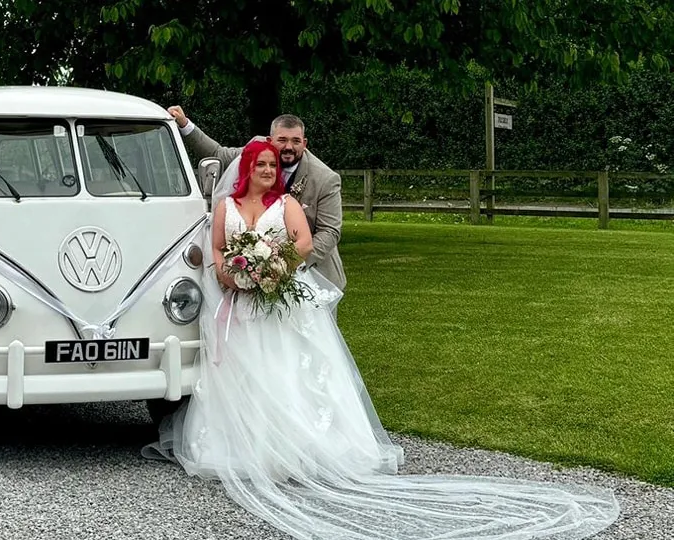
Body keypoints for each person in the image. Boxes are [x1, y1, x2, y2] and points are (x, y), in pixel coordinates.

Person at [141, 140, 619, 540]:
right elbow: (220, 251)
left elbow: (303, 243)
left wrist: (274, 271)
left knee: (288, 372)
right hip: (240, 307)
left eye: (272, 165)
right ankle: (246, 448)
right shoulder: (224, 206)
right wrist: (232, 276)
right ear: (245, 168)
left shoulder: (285, 205)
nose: (268, 170)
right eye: (260, 165)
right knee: (244, 376)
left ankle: (299, 449)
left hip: (280, 299)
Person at [168, 106, 347, 296]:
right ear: (270, 141)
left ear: (304, 143)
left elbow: (330, 232)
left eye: (296, 141)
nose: (289, 147)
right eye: (282, 140)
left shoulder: (325, 179)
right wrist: (184, 124)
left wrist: (280, 267)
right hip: (250, 274)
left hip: (312, 272)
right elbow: (219, 154)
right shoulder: (256, 150)